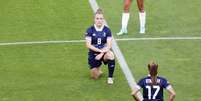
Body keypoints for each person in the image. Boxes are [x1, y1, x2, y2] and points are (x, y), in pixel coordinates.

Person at [85, 8, 115, 84]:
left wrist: (101, 53)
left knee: (111, 55)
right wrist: (99, 51)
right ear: (94, 19)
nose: (99, 20)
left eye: (101, 18)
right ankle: (98, 68)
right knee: (95, 76)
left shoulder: (107, 30)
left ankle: (110, 78)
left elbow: (109, 45)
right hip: (93, 54)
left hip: (104, 53)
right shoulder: (90, 30)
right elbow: (88, 45)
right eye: (97, 18)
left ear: (103, 20)